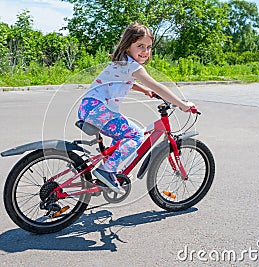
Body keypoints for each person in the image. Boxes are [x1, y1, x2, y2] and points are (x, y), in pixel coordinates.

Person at [78, 23, 195, 194]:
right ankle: (107, 170)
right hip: (99, 110)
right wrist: (182, 104)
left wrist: (142, 89)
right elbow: (156, 84)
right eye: (140, 46)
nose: (145, 51)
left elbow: (122, 81)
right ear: (127, 45)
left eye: (148, 47)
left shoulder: (122, 63)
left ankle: (111, 169)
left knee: (122, 133)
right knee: (136, 135)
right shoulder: (133, 66)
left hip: (89, 107)